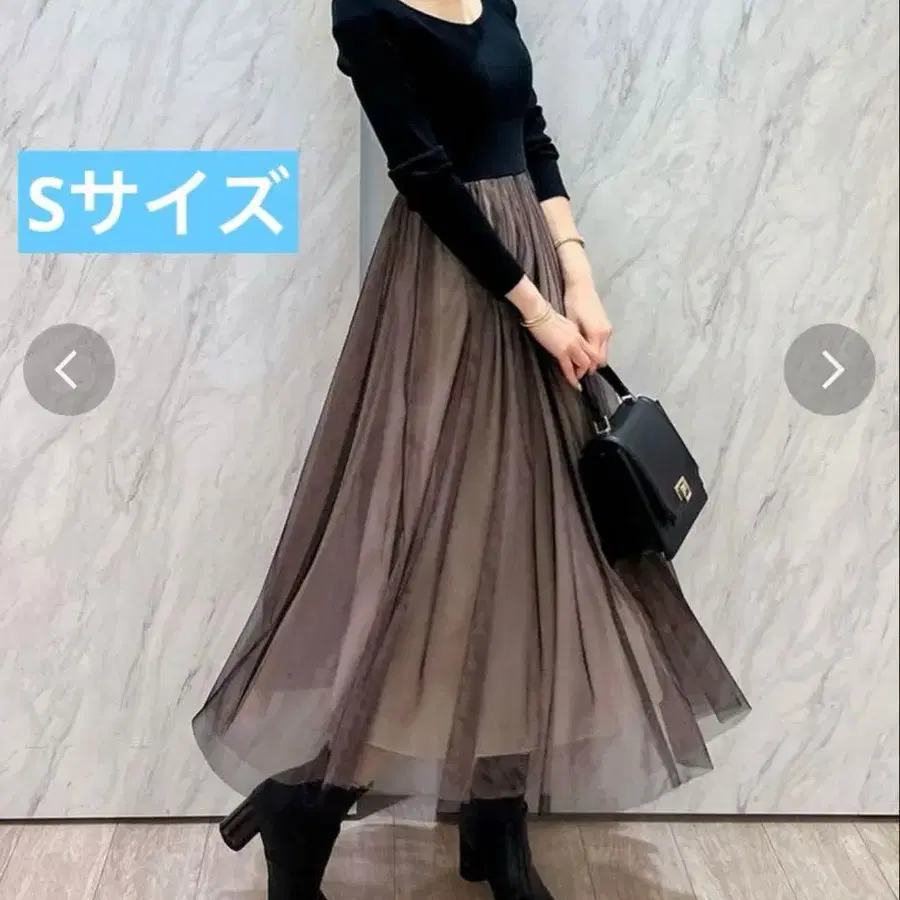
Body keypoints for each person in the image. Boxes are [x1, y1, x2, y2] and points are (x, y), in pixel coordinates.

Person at [192, 0, 751, 897]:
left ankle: (495, 813)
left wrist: (579, 278)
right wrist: (535, 311)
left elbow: (529, 133)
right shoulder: (367, 10)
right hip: (452, 293)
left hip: (536, 276)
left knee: (524, 549)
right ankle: (310, 800)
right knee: (433, 556)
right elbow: (422, 173)